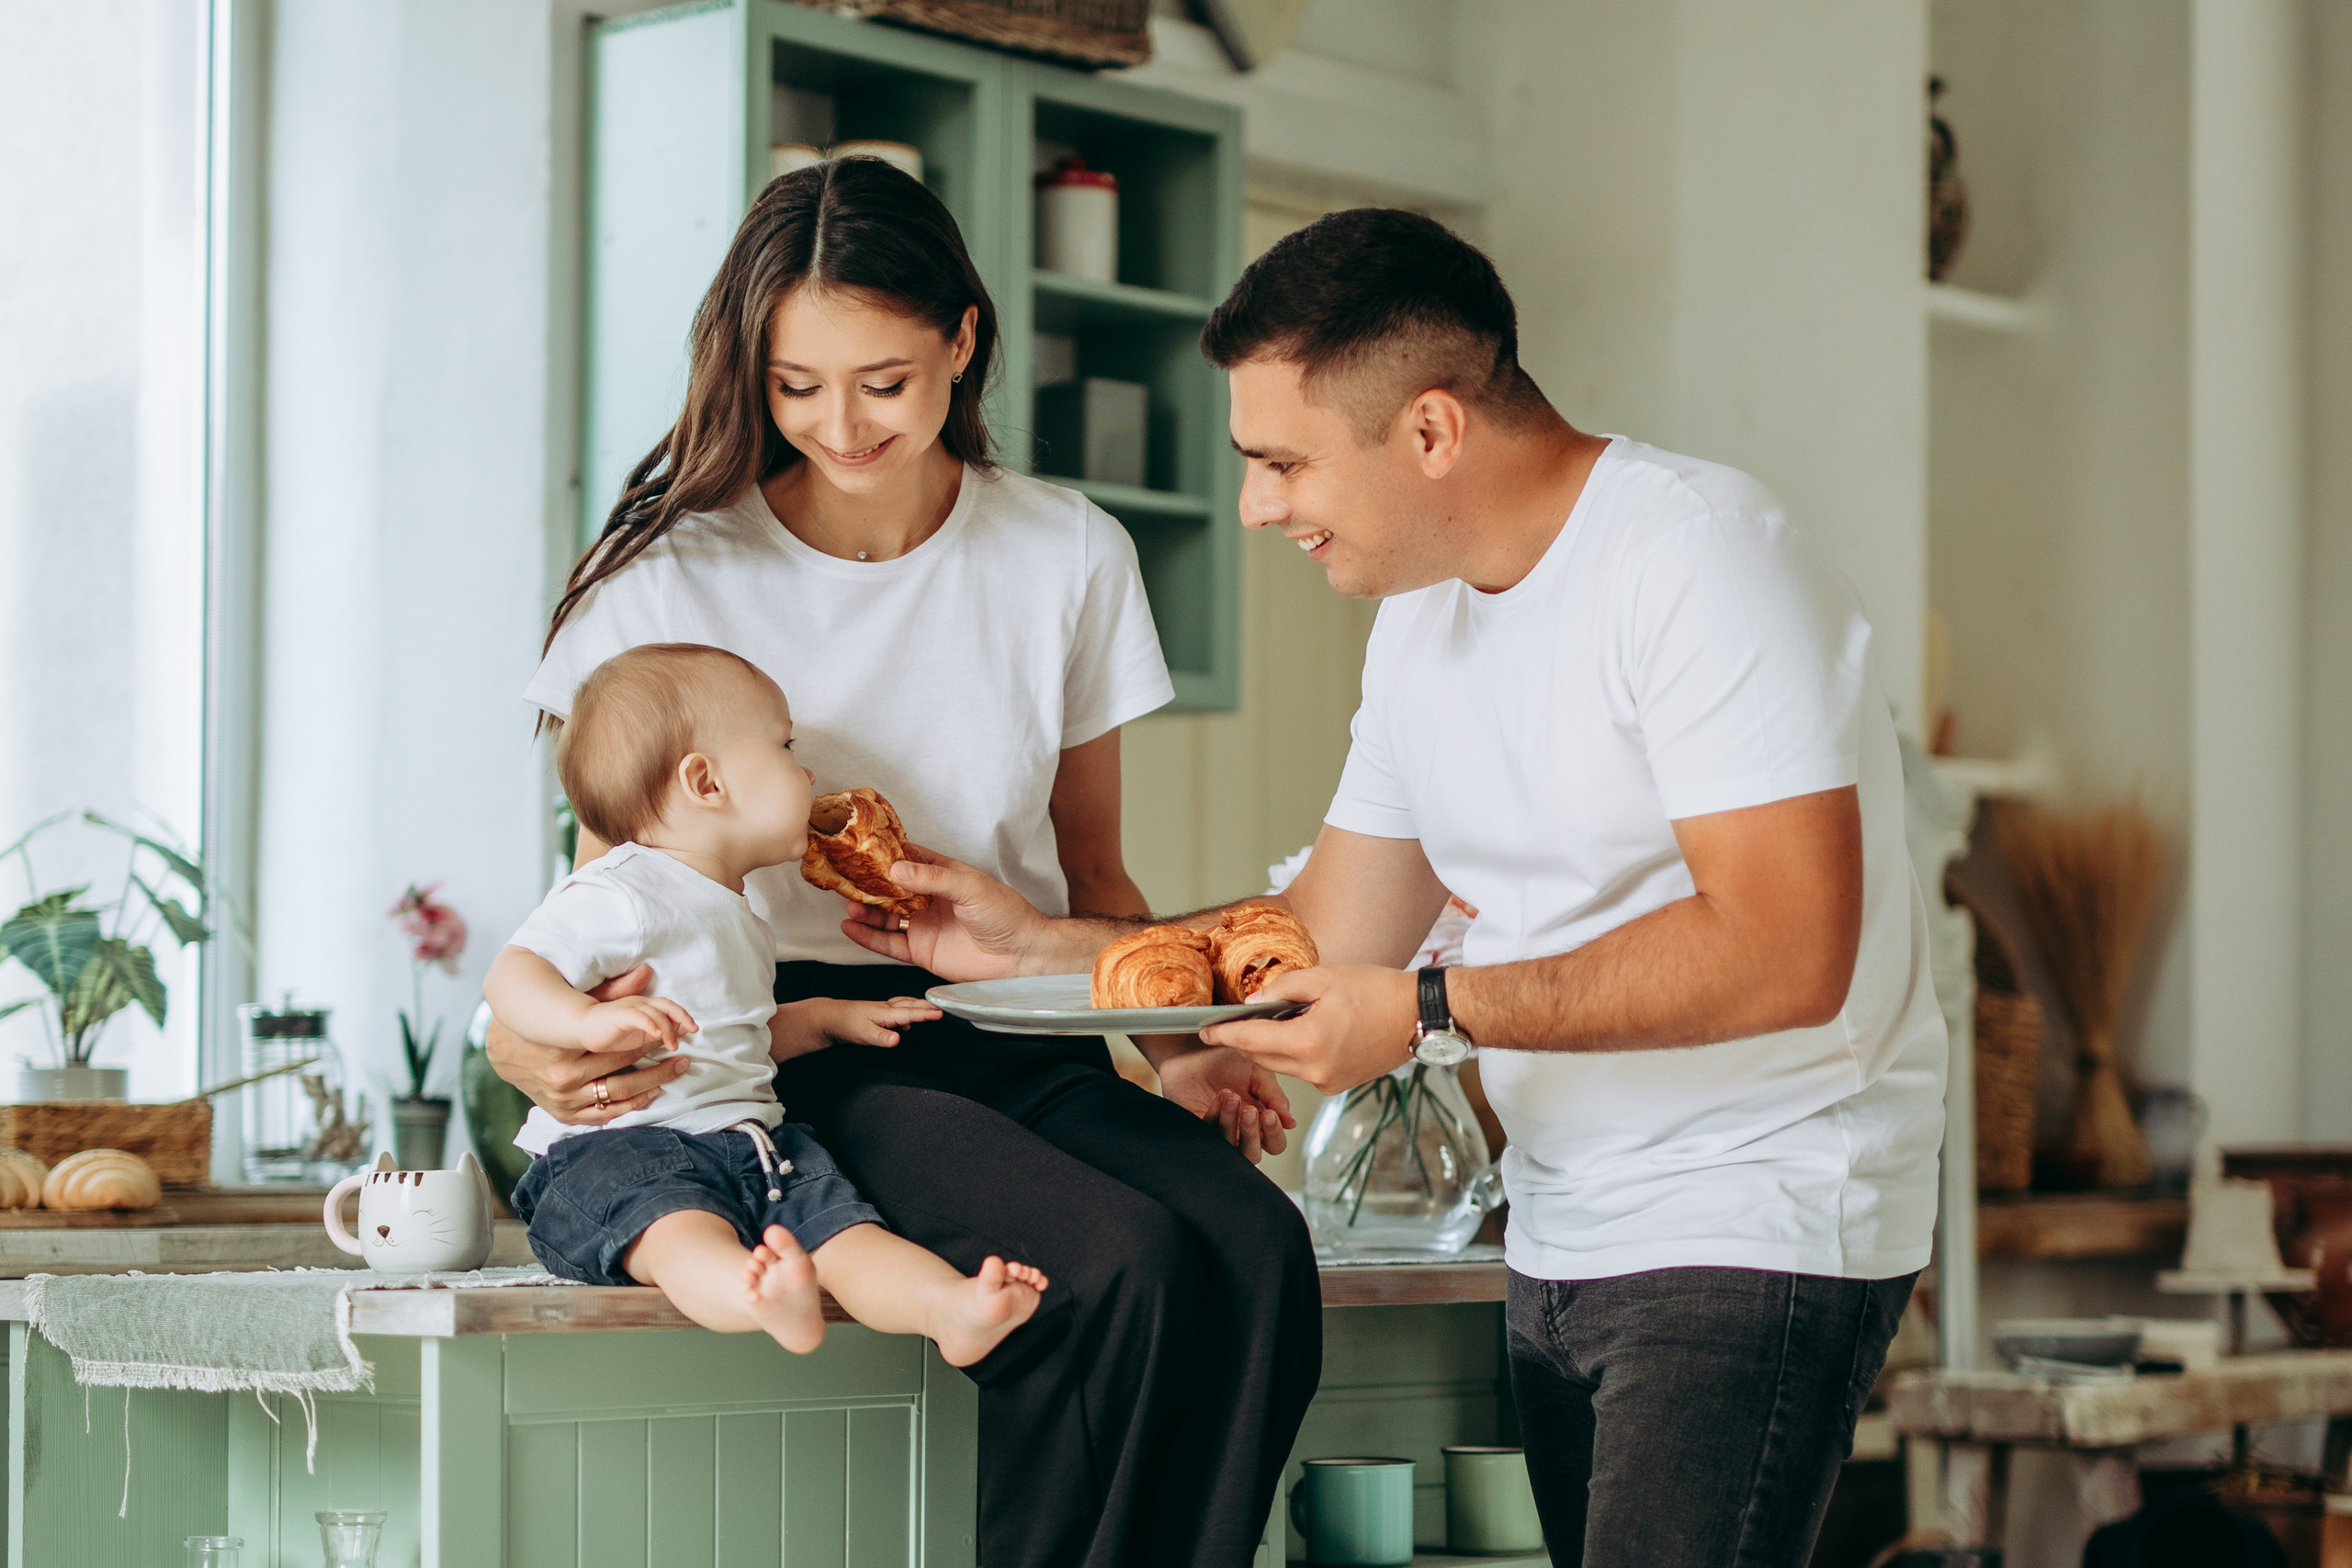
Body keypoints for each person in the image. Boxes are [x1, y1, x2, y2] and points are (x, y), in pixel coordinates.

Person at [842, 209, 1947, 1568]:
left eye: (1282, 462)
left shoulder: (1701, 559)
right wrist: (1041, 940)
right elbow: (1314, 939)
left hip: (1760, 1208)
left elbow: (1786, 948)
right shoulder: (1424, 620)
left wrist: (1425, 1006)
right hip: (1563, 1219)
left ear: (1430, 431)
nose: (1256, 505)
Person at [484, 158, 1317, 1568]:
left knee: (1256, 1250)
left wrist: (1176, 1045)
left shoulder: (1065, 553)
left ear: (963, 339)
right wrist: (543, 1050)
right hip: (800, 1043)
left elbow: (1091, 861)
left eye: (881, 378)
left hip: (1024, 1016)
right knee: (1111, 1264)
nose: (839, 422)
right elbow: (610, 896)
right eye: (795, 384)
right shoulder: (667, 577)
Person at [486, 643, 1048, 1363]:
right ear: (705, 780)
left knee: (846, 1230)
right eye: (784, 746)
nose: (807, 771)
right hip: (617, 1150)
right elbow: (512, 973)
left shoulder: (735, 911)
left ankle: (950, 1307)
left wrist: (825, 1018)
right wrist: (584, 1020)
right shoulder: (622, 888)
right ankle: (751, 1292)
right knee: (676, 1229)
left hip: (753, 1142)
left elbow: (736, 1039)